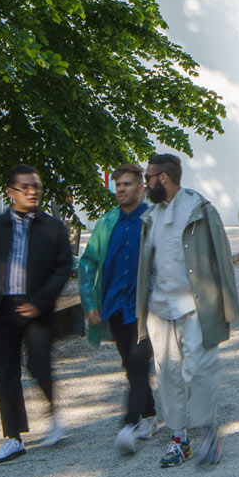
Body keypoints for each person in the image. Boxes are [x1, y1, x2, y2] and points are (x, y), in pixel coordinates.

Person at [135, 152, 239, 468]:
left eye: (149, 177)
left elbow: (222, 258)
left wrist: (228, 308)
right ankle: (180, 440)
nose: (146, 183)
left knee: (197, 370)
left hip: (196, 307)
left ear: (162, 179)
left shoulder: (199, 208)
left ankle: (208, 431)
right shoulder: (150, 216)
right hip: (159, 310)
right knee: (167, 373)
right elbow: (146, 266)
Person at [0, 165, 75, 464]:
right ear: (11, 192)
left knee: (39, 365)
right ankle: (12, 437)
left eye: (36, 186)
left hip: (36, 308)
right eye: (24, 186)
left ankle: (53, 413)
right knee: (5, 372)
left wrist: (40, 301)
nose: (32, 191)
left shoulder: (52, 227)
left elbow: (63, 267)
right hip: (1, 310)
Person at [77, 163, 156, 455]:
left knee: (138, 361)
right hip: (115, 306)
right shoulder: (107, 222)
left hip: (146, 308)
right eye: (117, 184)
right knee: (130, 363)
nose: (121, 189)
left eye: (126, 184)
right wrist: (90, 303)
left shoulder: (152, 219)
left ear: (140, 187)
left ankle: (129, 423)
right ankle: (149, 415)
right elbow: (88, 263)